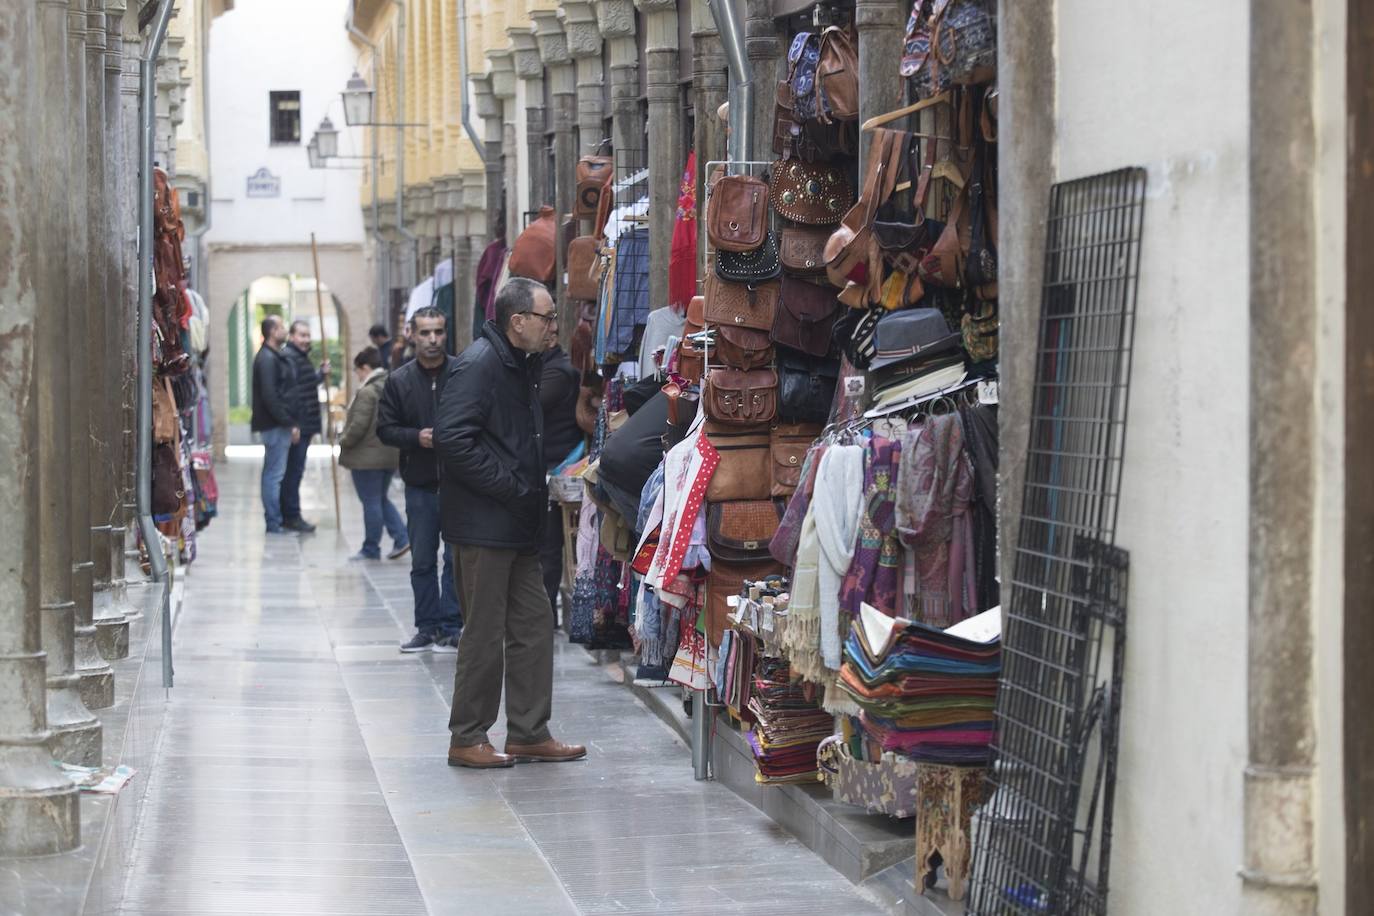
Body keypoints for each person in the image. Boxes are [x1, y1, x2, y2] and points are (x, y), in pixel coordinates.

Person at [436, 278, 585, 768]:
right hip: (484, 523)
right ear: (517, 321)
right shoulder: (479, 365)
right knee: (483, 632)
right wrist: (509, 485)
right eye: (546, 318)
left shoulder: (521, 363)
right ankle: (468, 736)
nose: (552, 328)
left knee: (534, 624)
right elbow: (453, 439)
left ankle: (528, 729)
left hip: (517, 521)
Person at [376, 307, 463, 654]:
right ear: (412, 334)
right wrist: (416, 437)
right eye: (425, 333)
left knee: (455, 559)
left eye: (438, 332)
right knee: (423, 559)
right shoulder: (399, 380)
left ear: (446, 333)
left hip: (458, 483)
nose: (432, 339)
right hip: (420, 483)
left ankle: (452, 625)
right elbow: (385, 429)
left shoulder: (461, 373)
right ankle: (426, 627)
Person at [339, 346, 409, 562]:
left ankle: (371, 547)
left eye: (358, 370)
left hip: (366, 458)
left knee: (371, 502)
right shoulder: (391, 385)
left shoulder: (368, 391)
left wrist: (343, 440)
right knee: (380, 499)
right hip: (388, 455)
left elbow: (358, 426)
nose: (358, 375)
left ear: (366, 368)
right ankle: (402, 537)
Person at [538, 340, 581, 624]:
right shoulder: (549, 368)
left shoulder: (556, 372)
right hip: (552, 461)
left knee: (548, 544)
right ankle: (546, 612)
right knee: (547, 543)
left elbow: (531, 406)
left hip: (556, 463)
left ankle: (546, 613)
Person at [250, 315, 299, 535]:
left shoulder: (272, 356)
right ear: (272, 332)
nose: (285, 330)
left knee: (273, 473)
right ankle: (273, 522)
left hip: (276, 424)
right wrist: (288, 423)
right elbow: (270, 396)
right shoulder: (267, 359)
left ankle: (275, 520)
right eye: (281, 327)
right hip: (274, 426)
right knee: (274, 474)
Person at [280, 319, 330, 533]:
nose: (306, 339)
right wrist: (294, 425)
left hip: (305, 425)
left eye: (308, 335)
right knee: (293, 472)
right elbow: (292, 394)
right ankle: (291, 516)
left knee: (295, 471)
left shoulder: (300, 358)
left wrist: (320, 375)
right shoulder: (290, 358)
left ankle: (290, 514)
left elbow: (304, 385)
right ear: (292, 336)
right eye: (301, 335)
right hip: (300, 426)